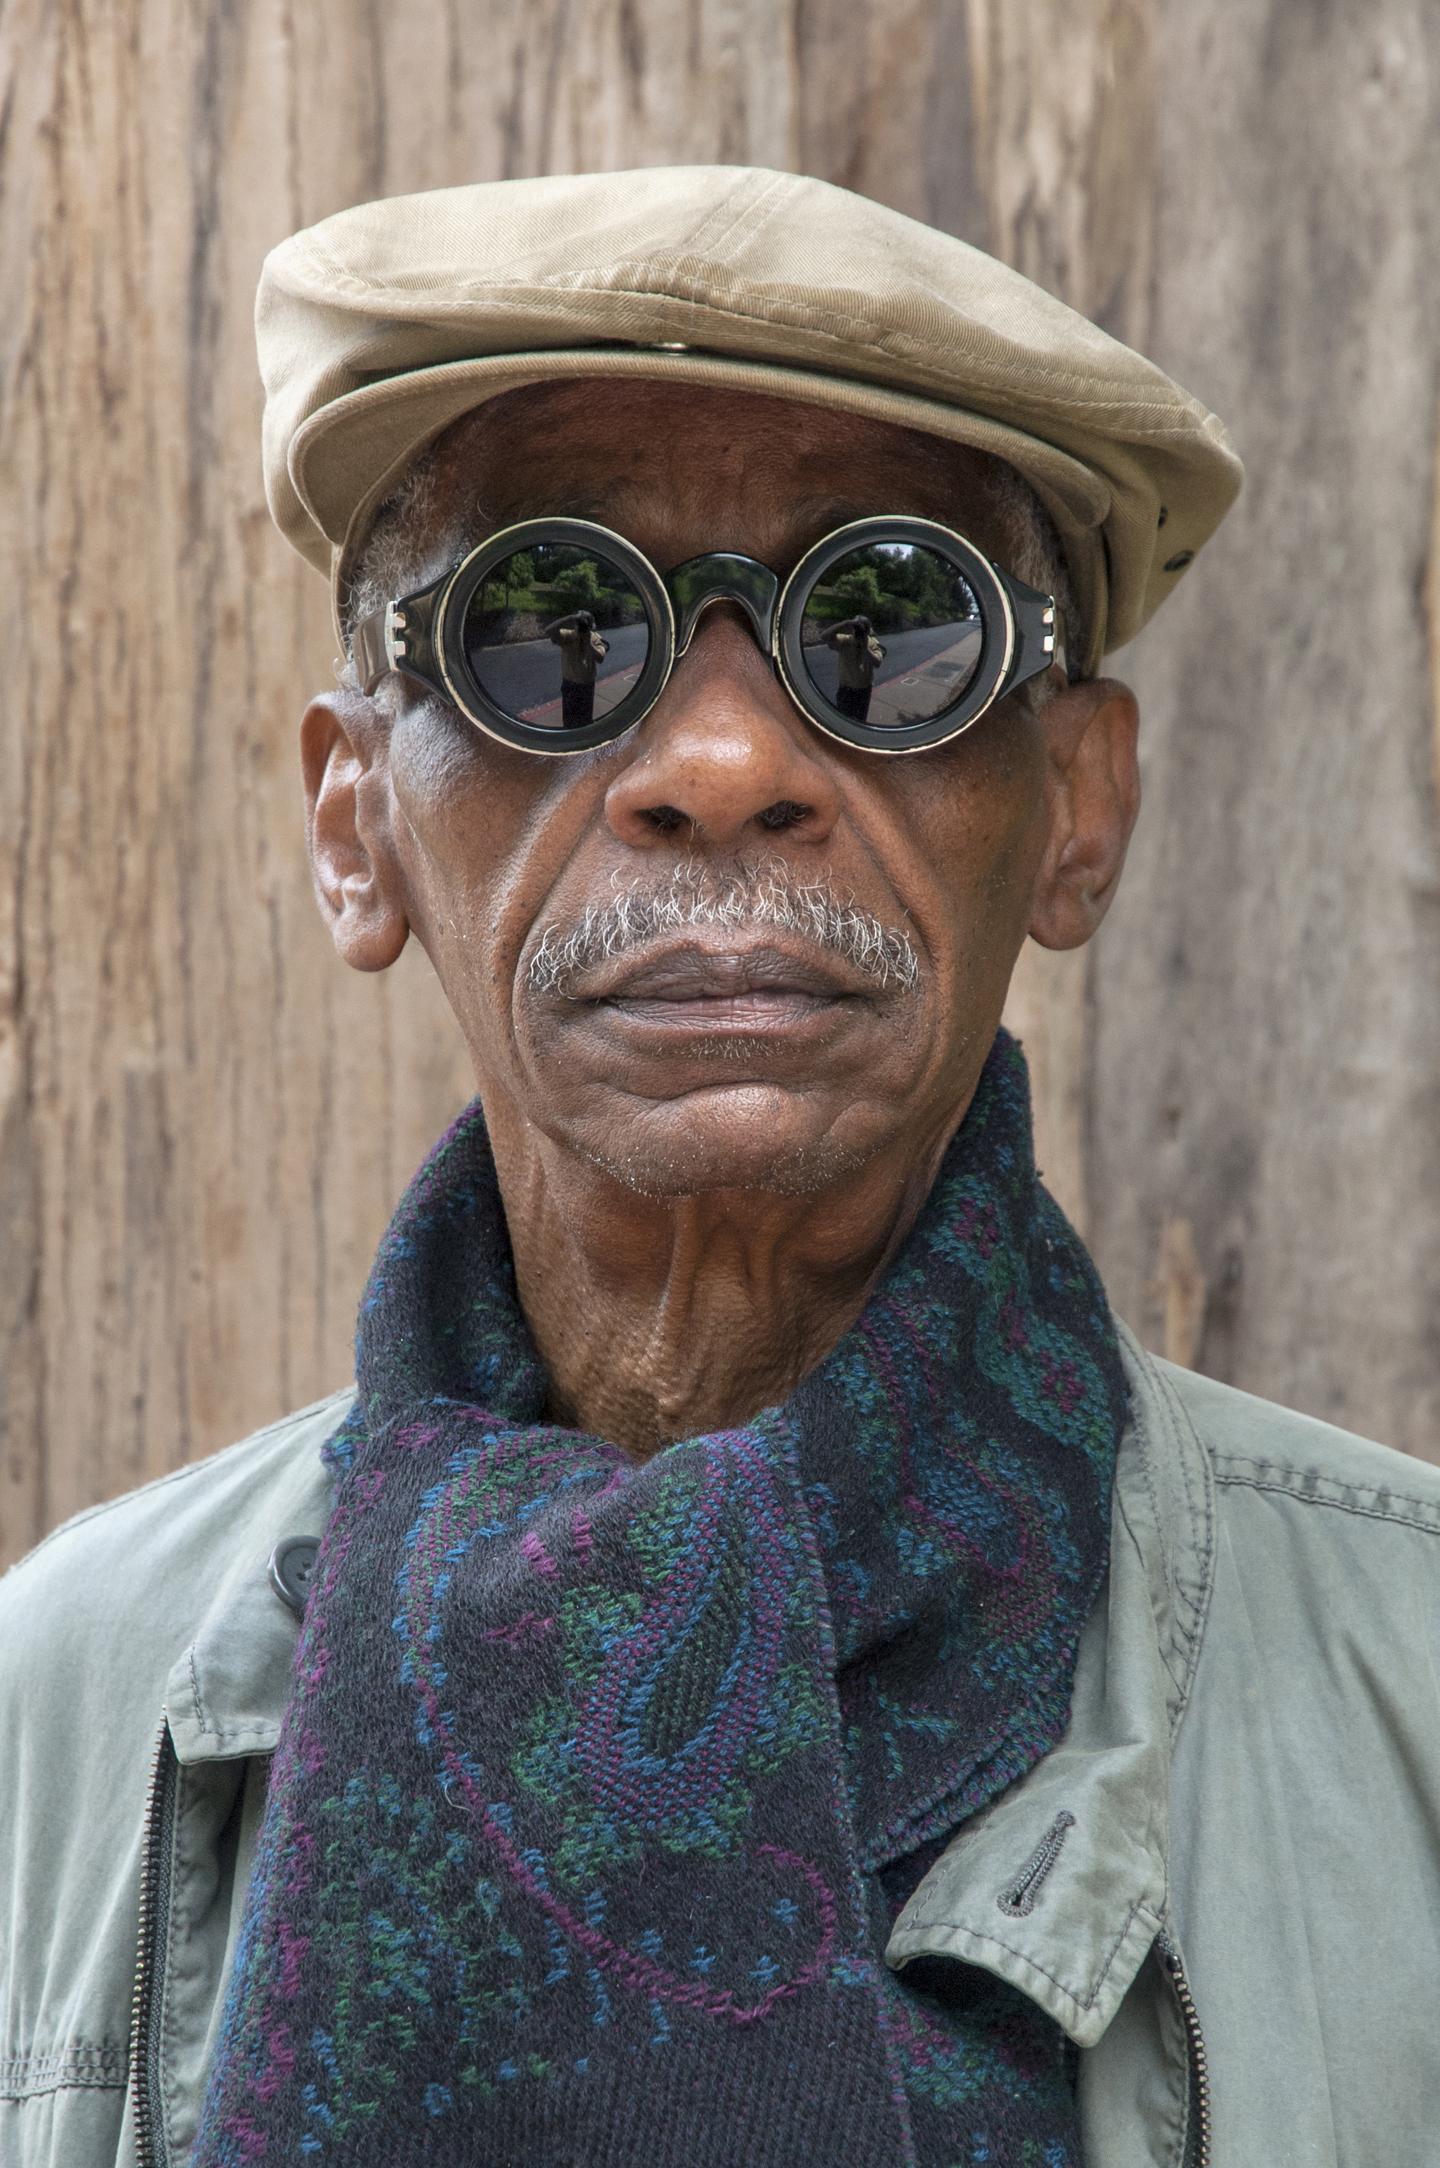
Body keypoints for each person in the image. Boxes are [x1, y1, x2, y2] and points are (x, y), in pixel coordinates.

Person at [3, 165, 1437, 2168]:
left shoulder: (1412, 1687)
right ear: (356, 827)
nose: (724, 762)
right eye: (557, 628)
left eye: (893, 623)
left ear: (1081, 804)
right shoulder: (60, 1715)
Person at [544, 605, 611, 727]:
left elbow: (600, 658)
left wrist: (588, 643)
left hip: (586, 685)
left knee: (585, 719)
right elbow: (548, 630)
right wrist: (569, 618)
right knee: (569, 721)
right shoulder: (568, 636)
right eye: (580, 624)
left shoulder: (595, 638)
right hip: (570, 684)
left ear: (591, 626)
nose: (582, 628)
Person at [822, 611, 886, 720]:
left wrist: (865, 648)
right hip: (846, 690)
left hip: (863, 691)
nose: (858, 631)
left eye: (861, 627)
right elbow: (824, 636)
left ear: (867, 630)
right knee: (842, 720)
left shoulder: (873, 643)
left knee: (860, 720)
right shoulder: (846, 640)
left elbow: (877, 663)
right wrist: (845, 623)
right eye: (856, 627)